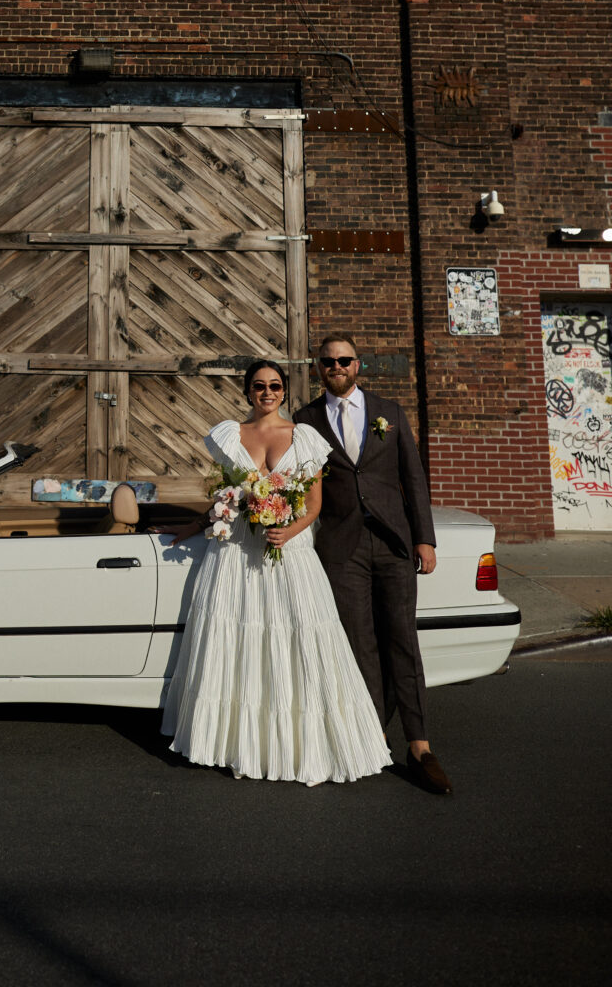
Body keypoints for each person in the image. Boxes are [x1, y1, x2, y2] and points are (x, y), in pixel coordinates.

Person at [160, 360, 391, 784]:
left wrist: (289, 530)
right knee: (238, 643)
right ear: (248, 391)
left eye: (275, 386)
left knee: (297, 640)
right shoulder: (230, 434)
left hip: (290, 552)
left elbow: (314, 505)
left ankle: (301, 744)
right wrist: (193, 526)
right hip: (236, 555)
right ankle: (234, 742)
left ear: (284, 391)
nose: (267, 392)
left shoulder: (305, 437)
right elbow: (225, 499)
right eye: (259, 386)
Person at [294, 332, 453, 796]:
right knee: (359, 642)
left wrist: (424, 538)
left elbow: (413, 478)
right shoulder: (305, 420)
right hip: (341, 547)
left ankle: (420, 745)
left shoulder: (391, 412)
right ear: (318, 368)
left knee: (402, 639)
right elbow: (296, 482)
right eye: (328, 362)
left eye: (344, 360)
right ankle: (372, 735)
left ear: (358, 365)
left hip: (393, 543)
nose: (336, 367)